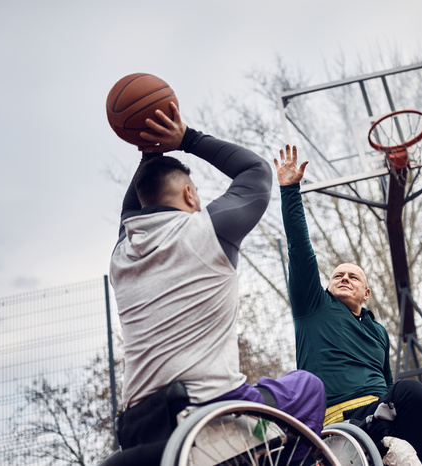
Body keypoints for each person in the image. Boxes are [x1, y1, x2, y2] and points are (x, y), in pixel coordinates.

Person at [108, 102, 325, 462]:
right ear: (191, 196)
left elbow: (132, 209)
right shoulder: (207, 230)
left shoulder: (121, 255)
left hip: (137, 426)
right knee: (307, 387)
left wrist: (151, 149)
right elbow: (256, 171)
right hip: (210, 411)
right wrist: (185, 138)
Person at [275, 144, 422, 466]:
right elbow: (300, 249)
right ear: (328, 285)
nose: (344, 278)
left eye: (353, 277)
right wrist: (290, 190)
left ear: (366, 293)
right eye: (337, 275)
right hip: (346, 421)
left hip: (384, 410)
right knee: (413, 392)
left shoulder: (378, 332)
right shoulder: (314, 308)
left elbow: (386, 383)